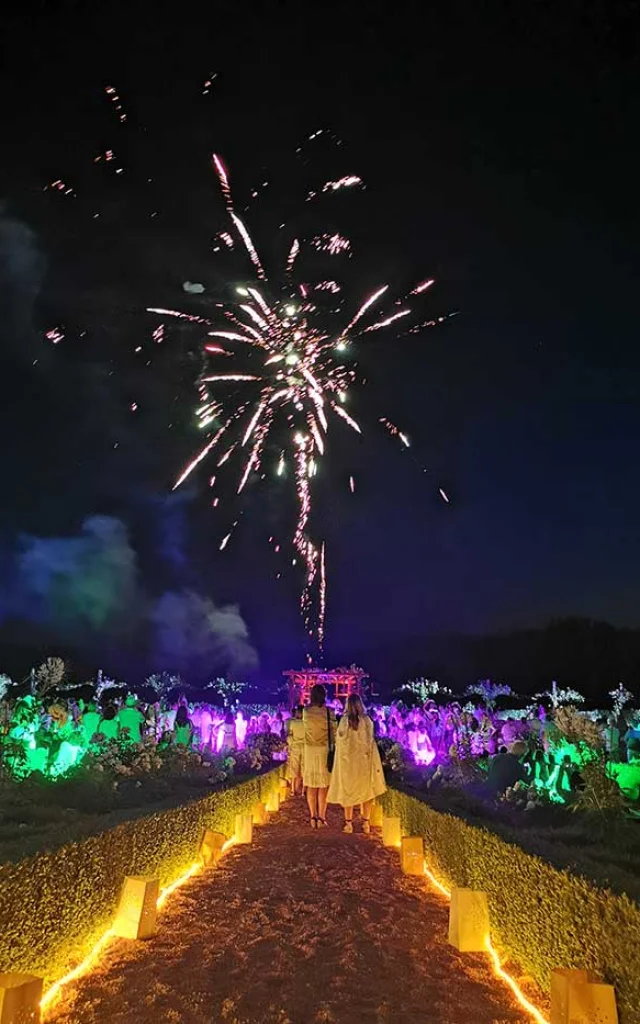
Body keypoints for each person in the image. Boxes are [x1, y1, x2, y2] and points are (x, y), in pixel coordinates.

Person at [327, 694, 386, 832]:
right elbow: (370, 742)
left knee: (349, 791)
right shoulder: (367, 721)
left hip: (348, 763)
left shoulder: (344, 721)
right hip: (364, 763)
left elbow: (339, 743)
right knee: (366, 791)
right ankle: (366, 823)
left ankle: (349, 823)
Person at [302, 683, 335, 828]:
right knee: (323, 785)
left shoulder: (306, 712)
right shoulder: (329, 712)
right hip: (323, 750)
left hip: (309, 750)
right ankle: (322, 817)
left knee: (311, 785)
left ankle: (312, 817)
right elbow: (334, 733)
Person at [286, 705, 305, 796]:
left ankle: (293, 790)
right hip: (305, 747)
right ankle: (303, 790)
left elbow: (290, 736)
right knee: (304, 768)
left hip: (295, 746)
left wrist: (290, 744)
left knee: (294, 767)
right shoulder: (307, 723)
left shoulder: (293, 723)